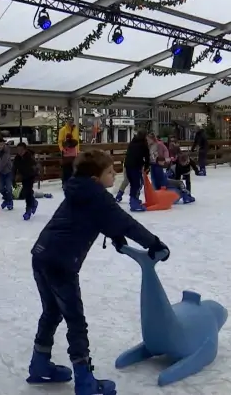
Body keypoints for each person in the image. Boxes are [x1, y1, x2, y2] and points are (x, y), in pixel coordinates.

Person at [26, 150, 170, 395]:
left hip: (41, 255)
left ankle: (39, 364)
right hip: (61, 264)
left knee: (51, 312)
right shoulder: (97, 196)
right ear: (95, 178)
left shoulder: (79, 191)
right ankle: (84, 381)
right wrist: (154, 243)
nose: (115, 175)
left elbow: (92, 218)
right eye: (110, 172)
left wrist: (115, 235)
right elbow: (125, 222)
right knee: (75, 321)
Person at [122, 131, 151, 212]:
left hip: (127, 165)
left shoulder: (132, 143)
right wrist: (146, 167)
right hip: (135, 166)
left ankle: (134, 200)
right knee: (137, 184)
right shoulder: (143, 144)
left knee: (133, 184)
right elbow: (147, 157)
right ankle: (134, 203)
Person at [13, 142, 39, 221]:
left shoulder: (29, 157)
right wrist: (13, 179)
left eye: (21, 150)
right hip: (24, 177)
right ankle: (34, 202)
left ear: (25, 150)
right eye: (18, 150)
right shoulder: (17, 158)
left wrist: (36, 173)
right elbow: (14, 169)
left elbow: (35, 166)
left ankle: (28, 210)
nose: (20, 152)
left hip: (31, 176)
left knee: (27, 192)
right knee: (26, 192)